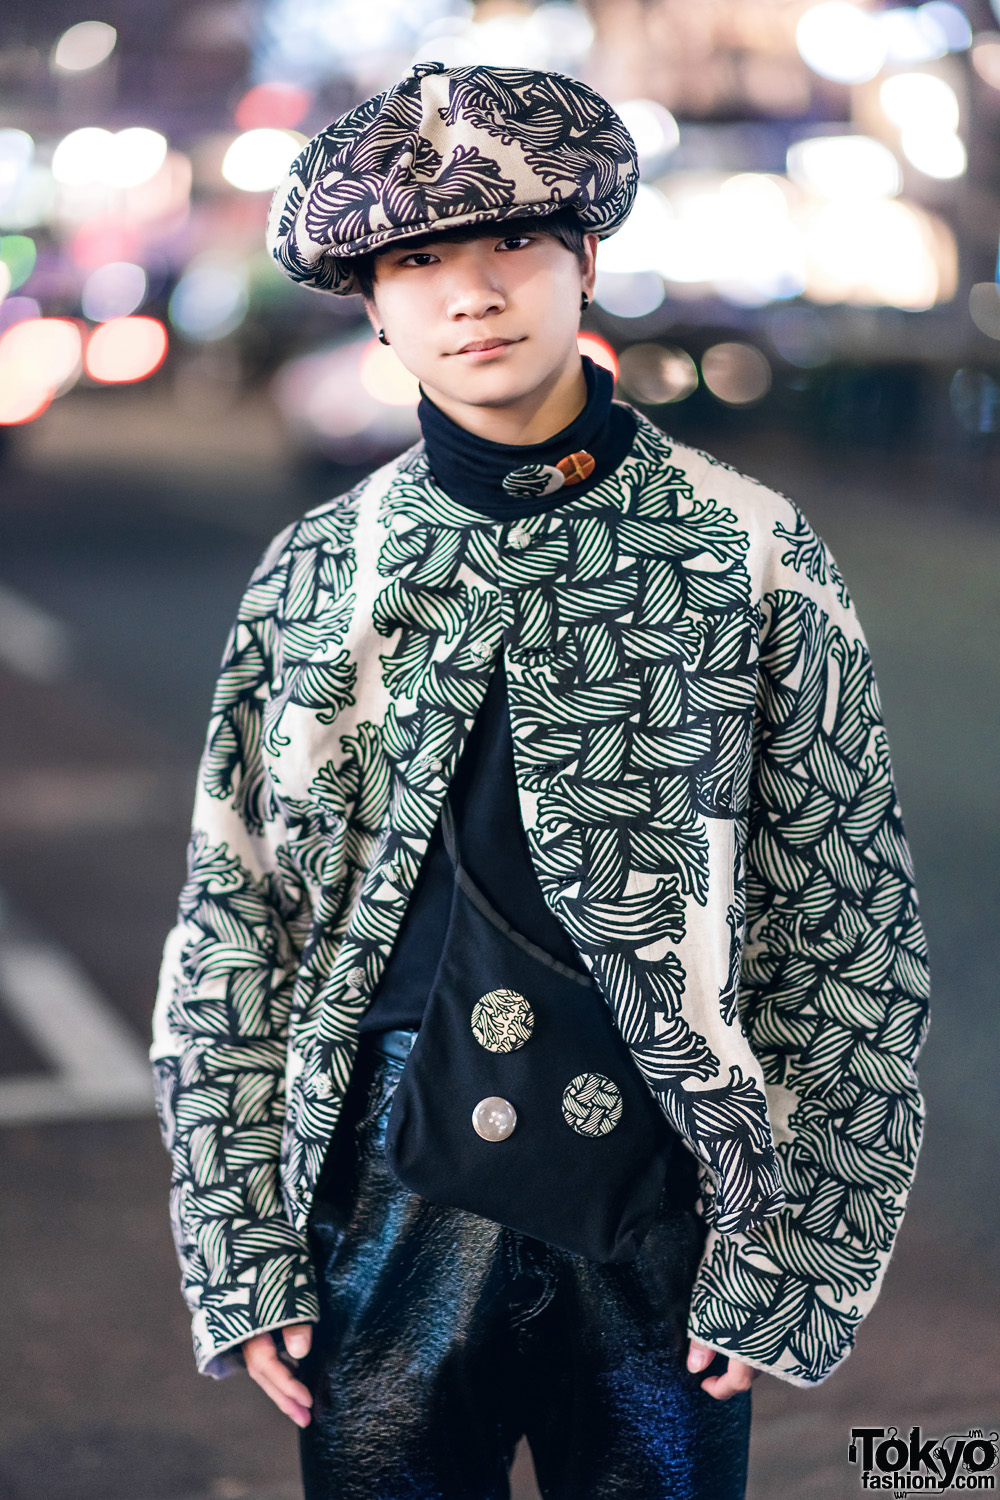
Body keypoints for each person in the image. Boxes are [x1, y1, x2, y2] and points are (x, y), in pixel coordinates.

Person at [151, 61, 930, 1500]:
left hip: (664, 1196)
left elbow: (850, 923)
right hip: (379, 1186)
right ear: (373, 308)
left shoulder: (747, 547)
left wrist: (798, 1256)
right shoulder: (318, 572)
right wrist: (241, 1246)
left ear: (584, 261)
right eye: (419, 257)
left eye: (511, 240)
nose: (472, 290)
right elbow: (230, 926)